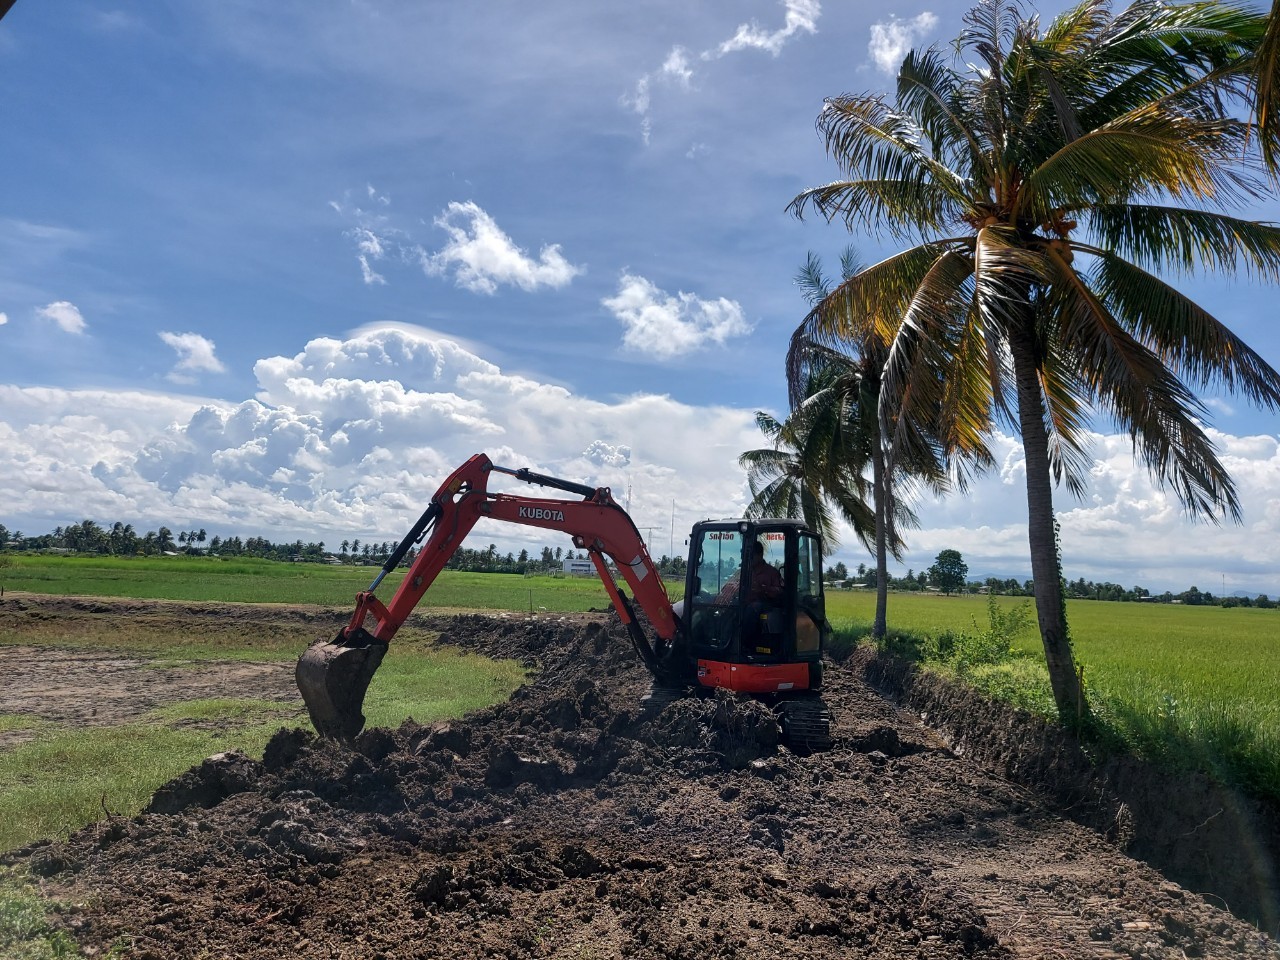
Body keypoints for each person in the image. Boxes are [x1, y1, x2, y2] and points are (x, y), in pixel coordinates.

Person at [718, 540, 782, 605]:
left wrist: (763, 589)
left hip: (765, 606)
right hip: (744, 605)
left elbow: (779, 592)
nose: (748, 559)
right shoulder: (744, 572)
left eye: (751, 556)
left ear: (760, 555)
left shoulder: (772, 573)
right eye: (746, 557)